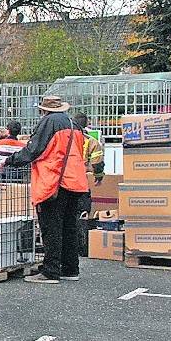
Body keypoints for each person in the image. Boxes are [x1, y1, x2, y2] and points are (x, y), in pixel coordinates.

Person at [4, 97, 90, 283]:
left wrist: (9, 161)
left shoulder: (49, 123)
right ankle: (70, 268)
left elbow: (34, 150)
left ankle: (50, 271)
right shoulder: (74, 124)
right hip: (75, 180)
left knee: (51, 228)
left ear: (44, 110)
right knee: (69, 226)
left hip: (54, 180)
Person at [72, 110, 104, 256]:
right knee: (83, 214)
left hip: (64, 183)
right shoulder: (90, 141)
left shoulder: (66, 139)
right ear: (86, 125)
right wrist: (98, 176)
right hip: (81, 183)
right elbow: (97, 162)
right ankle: (82, 248)